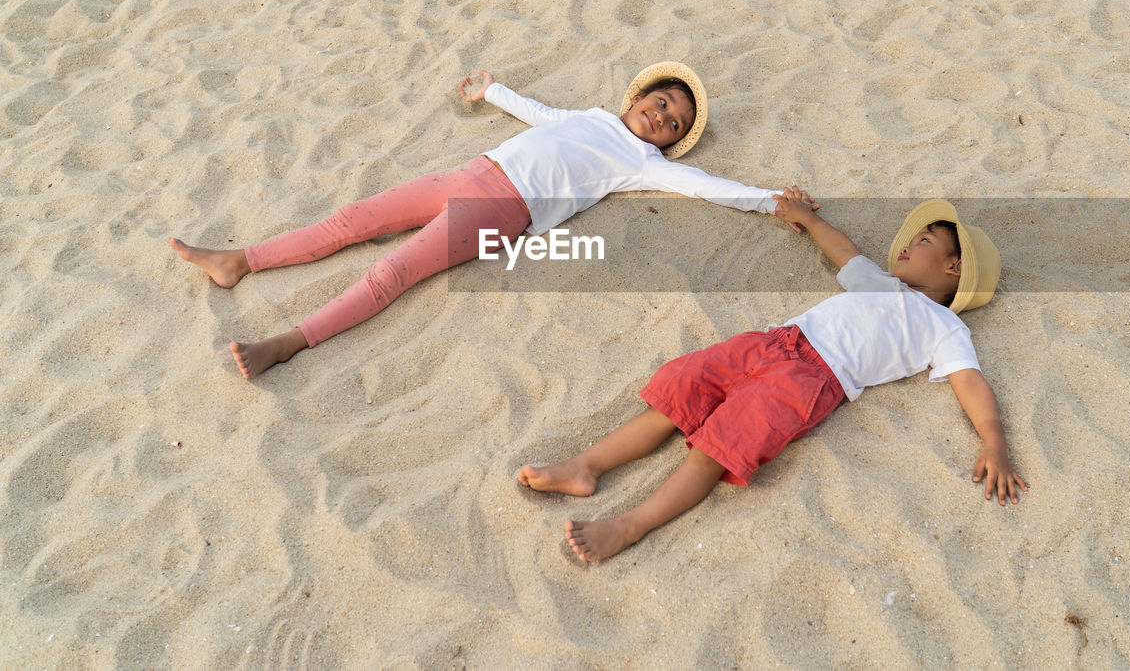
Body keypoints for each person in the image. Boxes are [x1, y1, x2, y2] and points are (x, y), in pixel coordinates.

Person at [169, 62, 808, 378]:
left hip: (503, 209)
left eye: (672, 125)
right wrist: (491, 94)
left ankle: (286, 343)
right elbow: (542, 114)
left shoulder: (641, 162)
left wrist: (770, 200)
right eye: (660, 102)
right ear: (638, 95)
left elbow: (704, 186)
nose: (661, 117)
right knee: (355, 219)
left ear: (667, 143)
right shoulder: (592, 118)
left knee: (393, 271)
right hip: (470, 173)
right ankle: (240, 260)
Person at [518, 191, 1027, 562]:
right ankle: (584, 466)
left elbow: (971, 384)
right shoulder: (880, 280)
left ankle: (629, 526)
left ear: (955, 268)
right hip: (772, 342)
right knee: (678, 392)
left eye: (923, 240)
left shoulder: (944, 326)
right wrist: (804, 216)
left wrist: (994, 442)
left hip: (811, 380)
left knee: (716, 450)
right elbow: (843, 250)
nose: (907, 246)